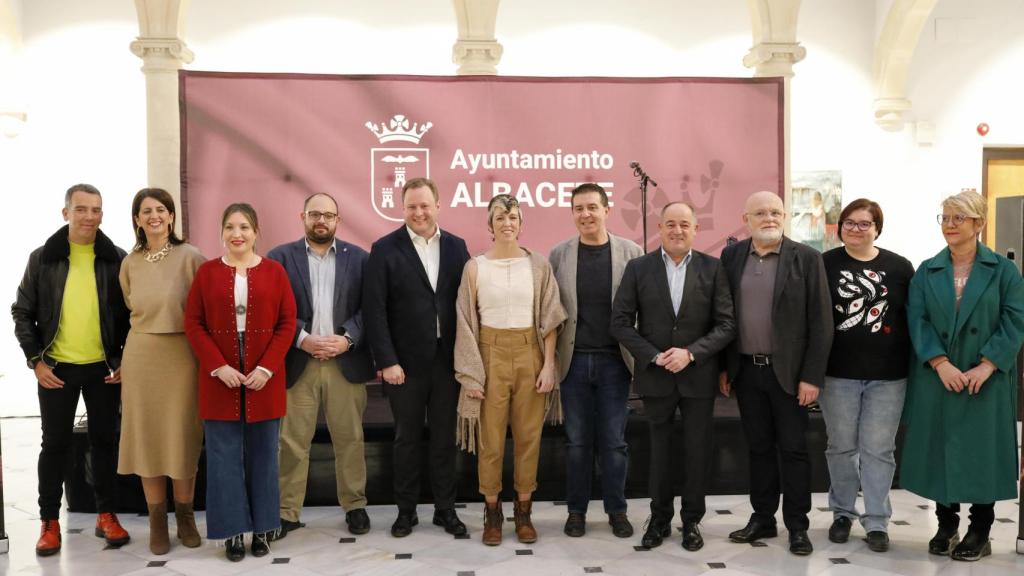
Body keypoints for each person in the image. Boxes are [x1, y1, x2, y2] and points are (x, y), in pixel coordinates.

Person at [900, 190, 1024, 562]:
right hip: (940, 376)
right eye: (946, 218)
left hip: (985, 378)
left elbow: (1015, 320)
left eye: (959, 218)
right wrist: (939, 362)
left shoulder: (1004, 270)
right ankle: (946, 523)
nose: (950, 225)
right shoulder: (927, 269)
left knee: (981, 452)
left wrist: (987, 364)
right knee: (941, 447)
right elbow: (916, 320)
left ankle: (981, 530)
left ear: (979, 224)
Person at [12, 183, 131, 557]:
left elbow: (131, 316)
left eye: (96, 210)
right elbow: (22, 312)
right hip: (57, 369)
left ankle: (106, 514)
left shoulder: (116, 258)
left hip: (103, 369)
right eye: (81, 209)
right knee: (55, 445)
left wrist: (125, 358)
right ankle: (49, 521)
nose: (89, 216)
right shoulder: (42, 258)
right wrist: (36, 361)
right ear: (66, 213)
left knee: (105, 442)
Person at [611, 202, 735, 551]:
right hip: (657, 377)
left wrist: (692, 353)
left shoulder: (713, 269)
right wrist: (652, 355)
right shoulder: (639, 268)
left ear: (696, 229)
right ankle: (659, 519)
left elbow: (727, 323)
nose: (677, 230)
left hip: (698, 375)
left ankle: (691, 521)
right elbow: (619, 322)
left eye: (684, 224)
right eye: (670, 224)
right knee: (660, 453)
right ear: (660, 228)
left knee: (697, 452)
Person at [719, 190, 832, 556]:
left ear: (784, 217)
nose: (769, 218)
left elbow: (821, 323)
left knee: (795, 451)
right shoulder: (732, 256)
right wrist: (724, 366)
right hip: (747, 372)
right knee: (759, 449)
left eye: (776, 212)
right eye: (761, 213)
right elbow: (723, 317)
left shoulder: (808, 259)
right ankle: (762, 518)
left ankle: (798, 526)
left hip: (791, 375)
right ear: (746, 218)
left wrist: (812, 377)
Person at [184, 203, 296, 562]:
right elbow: (194, 323)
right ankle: (232, 532)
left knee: (265, 455)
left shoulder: (276, 272)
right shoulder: (206, 273)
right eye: (230, 227)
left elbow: (286, 323)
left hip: (266, 371)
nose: (237, 234)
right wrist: (218, 366)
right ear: (221, 231)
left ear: (256, 231)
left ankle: (264, 528)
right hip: (220, 372)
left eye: (244, 227)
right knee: (223, 457)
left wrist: (266, 369)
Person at [454, 194, 566, 546]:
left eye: (513, 217)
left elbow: (550, 318)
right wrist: (472, 374)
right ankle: (492, 513)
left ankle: (523, 512)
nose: (507, 223)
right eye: (500, 218)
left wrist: (548, 365)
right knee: (489, 441)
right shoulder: (475, 267)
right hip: (489, 354)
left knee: (528, 439)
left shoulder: (538, 265)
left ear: (520, 223)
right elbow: (465, 322)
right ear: (489, 226)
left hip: (530, 353)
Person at [363, 177, 471, 538]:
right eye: (412, 206)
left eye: (425, 205)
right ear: (403, 208)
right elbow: (374, 309)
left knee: (444, 439)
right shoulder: (384, 248)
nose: (419, 212)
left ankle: (445, 510)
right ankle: (405, 512)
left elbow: (468, 305)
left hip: (447, 363)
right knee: (405, 439)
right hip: (403, 367)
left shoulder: (458, 248)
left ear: (438, 205)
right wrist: (387, 361)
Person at [267, 193, 375, 538]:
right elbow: (272, 309)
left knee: (350, 439)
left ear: (337, 221)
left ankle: (355, 506)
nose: (321, 221)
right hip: (300, 360)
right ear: (302, 216)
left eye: (328, 215)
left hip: (345, 360)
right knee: (293, 441)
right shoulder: (279, 258)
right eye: (315, 214)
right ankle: (287, 511)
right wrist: (301, 338)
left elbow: (371, 309)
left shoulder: (359, 259)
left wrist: (347, 339)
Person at [818, 199, 914, 553]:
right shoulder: (823, 264)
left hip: (888, 377)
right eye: (849, 223)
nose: (856, 229)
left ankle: (876, 520)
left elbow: (913, 319)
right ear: (839, 226)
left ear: (877, 228)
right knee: (841, 448)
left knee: (879, 450)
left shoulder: (899, 267)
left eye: (864, 224)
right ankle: (842, 513)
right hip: (837, 375)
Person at [549, 183, 643, 538]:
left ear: (607, 209)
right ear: (572, 213)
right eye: (578, 208)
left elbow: (643, 309)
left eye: (592, 207)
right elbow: (552, 311)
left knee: (614, 442)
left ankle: (616, 510)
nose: (585, 214)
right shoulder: (559, 254)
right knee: (576, 443)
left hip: (615, 363)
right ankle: (576, 511)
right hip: (572, 363)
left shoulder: (631, 253)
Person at [117, 188, 206, 554]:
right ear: (137, 219)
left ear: (171, 216)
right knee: (148, 439)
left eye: (160, 210)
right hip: (141, 356)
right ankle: (157, 521)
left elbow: (203, 309)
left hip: (183, 357)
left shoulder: (192, 257)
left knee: (181, 436)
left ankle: (184, 516)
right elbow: (128, 304)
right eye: (145, 211)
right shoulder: (130, 262)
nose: (153, 216)